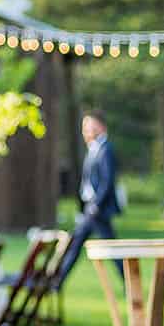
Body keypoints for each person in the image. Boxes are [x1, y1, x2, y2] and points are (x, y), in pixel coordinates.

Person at [54, 111, 122, 283]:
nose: (85, 130)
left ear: (100, 126)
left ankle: (57, 281)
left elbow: (107, 181)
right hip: (90, 209)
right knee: (78, 244)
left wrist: (95, 205)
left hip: (98, 211)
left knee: (108, 248)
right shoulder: (94, 148)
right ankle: (57, 280)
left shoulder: (105, 149)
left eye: (89, 126)